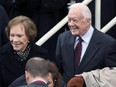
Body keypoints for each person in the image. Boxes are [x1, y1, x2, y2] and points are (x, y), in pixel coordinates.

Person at [55, 3, 116, 85]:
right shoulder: (63, 38)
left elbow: (111, 75)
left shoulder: (108, 43)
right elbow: (59, 69)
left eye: (75, 20)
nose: (70, 24)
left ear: (87, 21)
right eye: (69, 20)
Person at [0, 16, 49, 87]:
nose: (15, 40)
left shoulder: (42, 55)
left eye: (19, 36)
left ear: (29, 37)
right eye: (12, 35)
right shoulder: (1, 54)